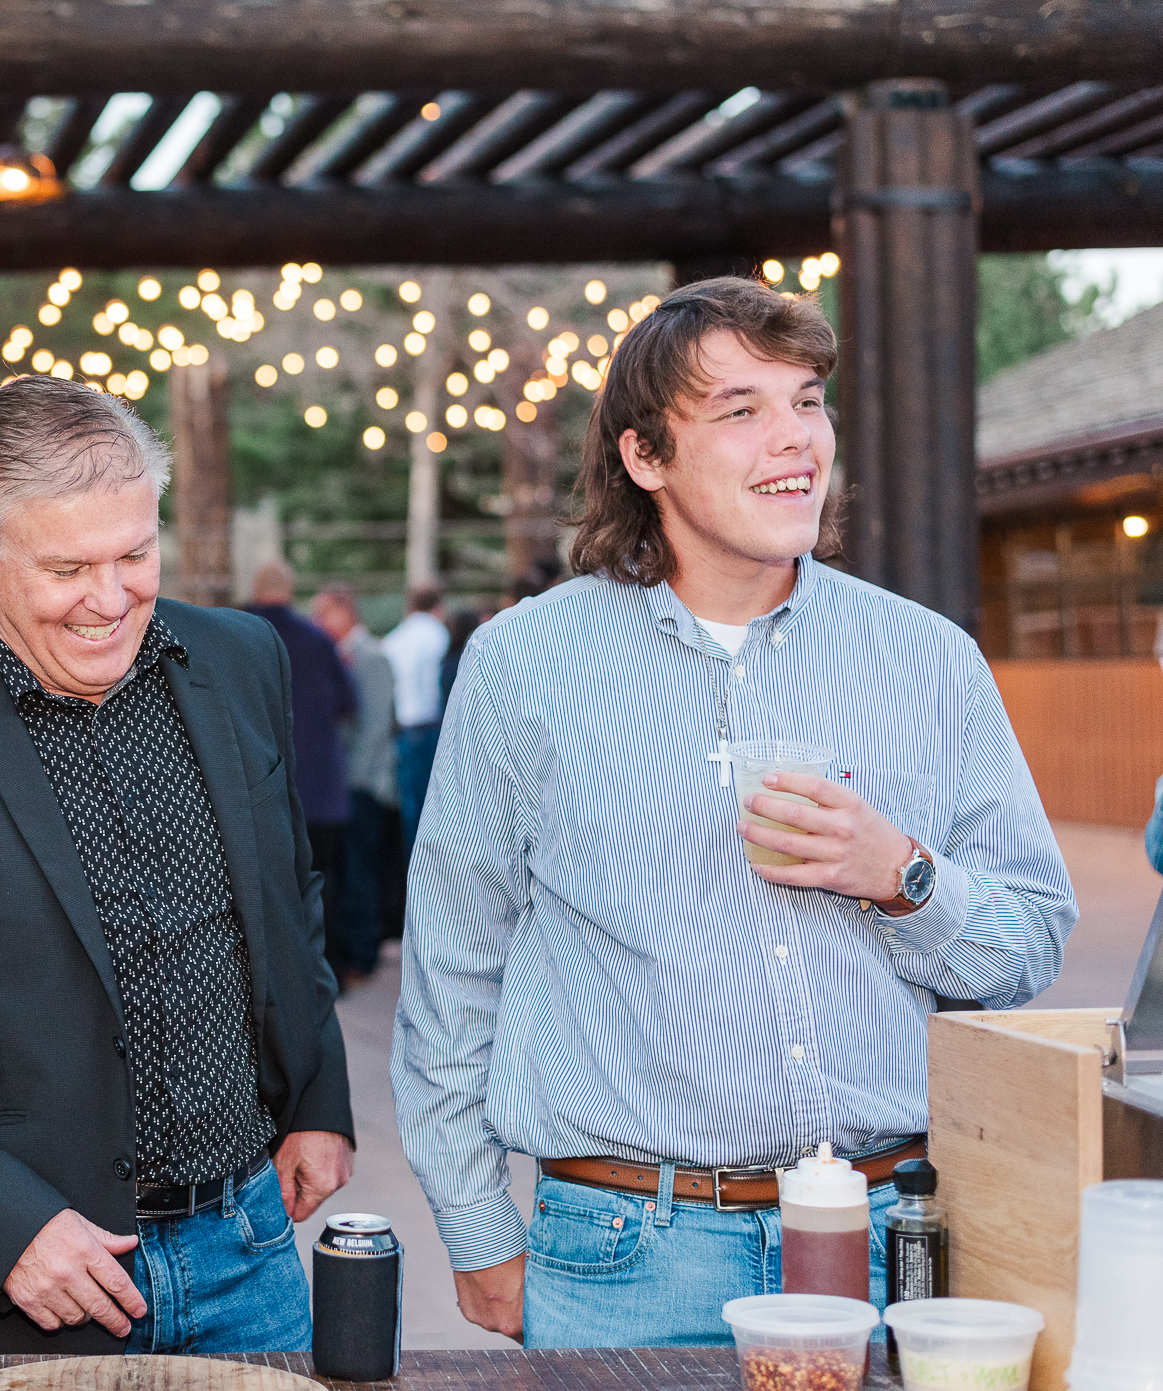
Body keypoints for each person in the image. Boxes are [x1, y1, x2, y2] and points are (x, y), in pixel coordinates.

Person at [392, 277, 1077, 1349]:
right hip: (623, 1251)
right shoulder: (522, 666)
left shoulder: (926, 659)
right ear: (643, 457)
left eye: (806, 400)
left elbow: (1028, 945)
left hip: (890, 1234)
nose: (794, 438)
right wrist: (476, 1223)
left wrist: (899, 873)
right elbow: (451, 968)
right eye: (739, 410)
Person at [0, 375, 355, 1356]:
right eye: (67, 567)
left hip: (251, 1246)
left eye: (135, 552)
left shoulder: (244, 658)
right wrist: (1, 1223)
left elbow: (281, 892)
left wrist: (313, 1099)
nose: (109, 597)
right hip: (29, 1282)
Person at [245, 559, 358, 981]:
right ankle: (324, 974)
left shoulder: (231, 632)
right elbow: (348, 703)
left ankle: (272, 979)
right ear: (291, 591)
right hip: (318, 786)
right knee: (323, 882)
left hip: (253, 787)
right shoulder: (316, 640)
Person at [310, 584, 399, 981]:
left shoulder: (372, 657)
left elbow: (376, 727)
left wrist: (353, 780)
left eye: (323, 614)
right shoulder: (341, 656)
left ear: (344, 613)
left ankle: (362, 956)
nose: (317, 623)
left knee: (361, 870)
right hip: (346, 784)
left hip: (363, 784)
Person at [381, 584, 449, 847]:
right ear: (438, 608)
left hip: (402, 728)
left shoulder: (395, 638)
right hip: (430, 725)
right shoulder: (437, 634)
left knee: (410, 809)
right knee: (434, 807)